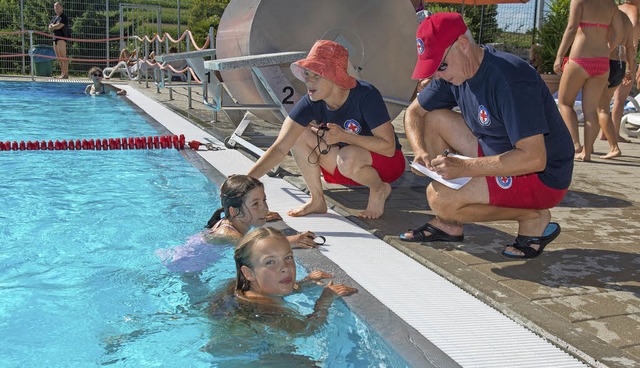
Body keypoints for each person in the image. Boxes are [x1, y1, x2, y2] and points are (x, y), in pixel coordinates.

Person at [400, 12, 574, 259]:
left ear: (463, 45)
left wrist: (465, 168)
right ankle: (449, 225)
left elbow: (535, 159)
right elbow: (414, 112)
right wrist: (420, 151)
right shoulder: (451, 72)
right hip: (501, 154)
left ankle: (534, 217)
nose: (437, 75)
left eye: (440, 66)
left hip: (542, 176)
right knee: (434, 116)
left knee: (440, 198)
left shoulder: (511, 79)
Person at [246, 40, 406, 219]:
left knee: (348, 156)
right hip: (346, 166)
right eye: (307, 74)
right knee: (299, 136)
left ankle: (379, 189)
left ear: (335, 78)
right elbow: (280, 147)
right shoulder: (311, 101)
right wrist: (244, 183)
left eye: (317, 76)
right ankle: (317, 200)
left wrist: (346, 136)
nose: (309, 81)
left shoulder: (366, 95)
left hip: (389, 164)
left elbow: (388, 147)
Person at [206, 227, 357, 336]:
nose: (284, 268)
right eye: (270, 262)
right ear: (248, 273)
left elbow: (276, 291)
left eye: (288, 257)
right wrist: (324, 302)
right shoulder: (271, 312)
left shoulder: (236, 287)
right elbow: (307, 329)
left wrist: (306, 282)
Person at [159, 175, 323, 274]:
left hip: (182, 258)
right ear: (234, 211)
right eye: (255, 204)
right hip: (183, 268)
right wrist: (293, 240)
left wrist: (259, 215)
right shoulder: (228, 234)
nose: (264, 208)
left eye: (264, 200)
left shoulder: (233, 218)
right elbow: (258, 249)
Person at [554, 0, 618, 161]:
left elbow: (571, 28)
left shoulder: (580, 1)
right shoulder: (611, 4)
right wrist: (607, 47)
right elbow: (617, 33)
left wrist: (560, 55)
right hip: (602, 61)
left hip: (580, 58)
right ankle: (587, 153)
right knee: (590, 111)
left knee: (565, 103)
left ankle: (576, 145)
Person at [596, 9, 635, 159]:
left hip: (606, 62)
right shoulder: (626, 20)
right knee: (602, 107)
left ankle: (613, 147)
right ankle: (589, 146)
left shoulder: (608, 14)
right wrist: (630, 69)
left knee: (600, 109)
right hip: (620, 65)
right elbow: (630, 47)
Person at [609, 0, 640, 143]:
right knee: (619, 101)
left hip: (612, 56)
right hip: (626, 56)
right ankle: (614, 135)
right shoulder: (633, 9)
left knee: (606, 100)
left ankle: (606, 133)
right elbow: (633, 25)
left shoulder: (617, 8)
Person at [48, 2, 70, 79]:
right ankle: (62, 73)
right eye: (55, 7)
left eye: (57, 7)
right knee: (58, 57)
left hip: (62, 37)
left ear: (62, 8)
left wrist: (53, 26)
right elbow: (50, 26)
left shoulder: (64, 17)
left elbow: (59, 26)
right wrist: (53, 26)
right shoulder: (54, 18)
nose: (56, 8)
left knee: (63, 56)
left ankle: (66, 74)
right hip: (55, 38)